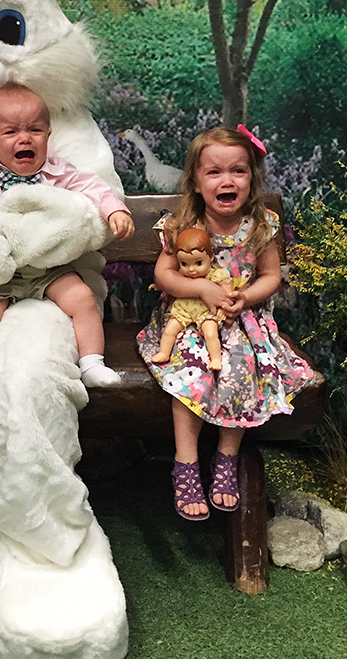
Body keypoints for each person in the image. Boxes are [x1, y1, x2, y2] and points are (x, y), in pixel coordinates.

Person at [137, 125, 315, 521]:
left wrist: (245, 297)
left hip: (241, 318)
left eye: (238, 171)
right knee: (189, 370)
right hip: (187, 317)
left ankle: (226, 457)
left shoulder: (260, 224)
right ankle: (185, 463)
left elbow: (270, 276)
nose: (227, 180)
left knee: (241, 367)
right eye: (214, 172)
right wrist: (201, 288)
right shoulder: (183, 223)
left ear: (251, 180)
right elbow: (164, 275)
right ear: (196, 182)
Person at [0, 84, 135, 427]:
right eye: (11, 132)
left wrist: (114, 210)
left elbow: (94, 188)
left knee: (82, 298)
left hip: (47, 268)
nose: (25, 139)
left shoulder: (58, 174)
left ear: (48, 135)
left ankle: (92, 363)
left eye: (34, 129)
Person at [150, 227, 238, 370]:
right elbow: (168, 280)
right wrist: (159, 285)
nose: (191, 269)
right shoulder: (181, 274)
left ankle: (216, 358)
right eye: (184, 264)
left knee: (210, 332)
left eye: (198, 263)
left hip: (207, 311)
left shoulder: (216, 275)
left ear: (210, 258)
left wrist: (224, 308)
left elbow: (227, 295)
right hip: (183, 309)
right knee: (169, 330)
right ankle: (164, 353)